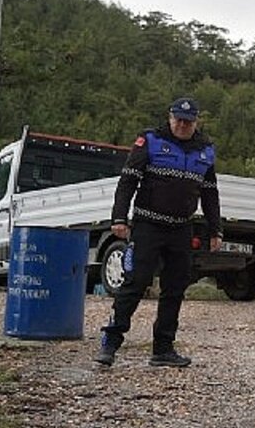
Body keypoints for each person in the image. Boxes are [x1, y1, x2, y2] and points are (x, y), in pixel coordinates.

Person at [95, 97, 222, 367]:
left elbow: (210, 193)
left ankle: (163, 349)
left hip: (181, 228)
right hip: (148, 225)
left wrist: (216, 230)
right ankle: (110, 343)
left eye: (188, 121)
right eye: (178, 120)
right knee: (135, 283)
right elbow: (128, 181)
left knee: (175, 288)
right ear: (170, 117)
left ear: (196, 122)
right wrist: (119, 218)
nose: (183, 125)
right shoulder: (150, 140)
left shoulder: (206, 150)